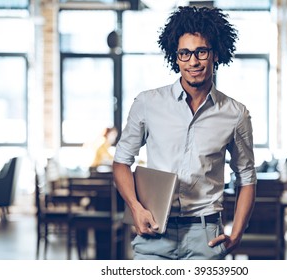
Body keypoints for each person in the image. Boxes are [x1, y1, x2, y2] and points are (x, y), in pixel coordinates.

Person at [113, 6, 256, 260]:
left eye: (201, 51)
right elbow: (121, 162)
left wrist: (238, 232)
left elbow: (246, 177)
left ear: (215, 54)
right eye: (185, 53)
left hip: (205, 236)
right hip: (154, 232)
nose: (193, 61)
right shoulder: (147, 103)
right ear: (175, 57)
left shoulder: (236, 114)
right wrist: (135, 207)